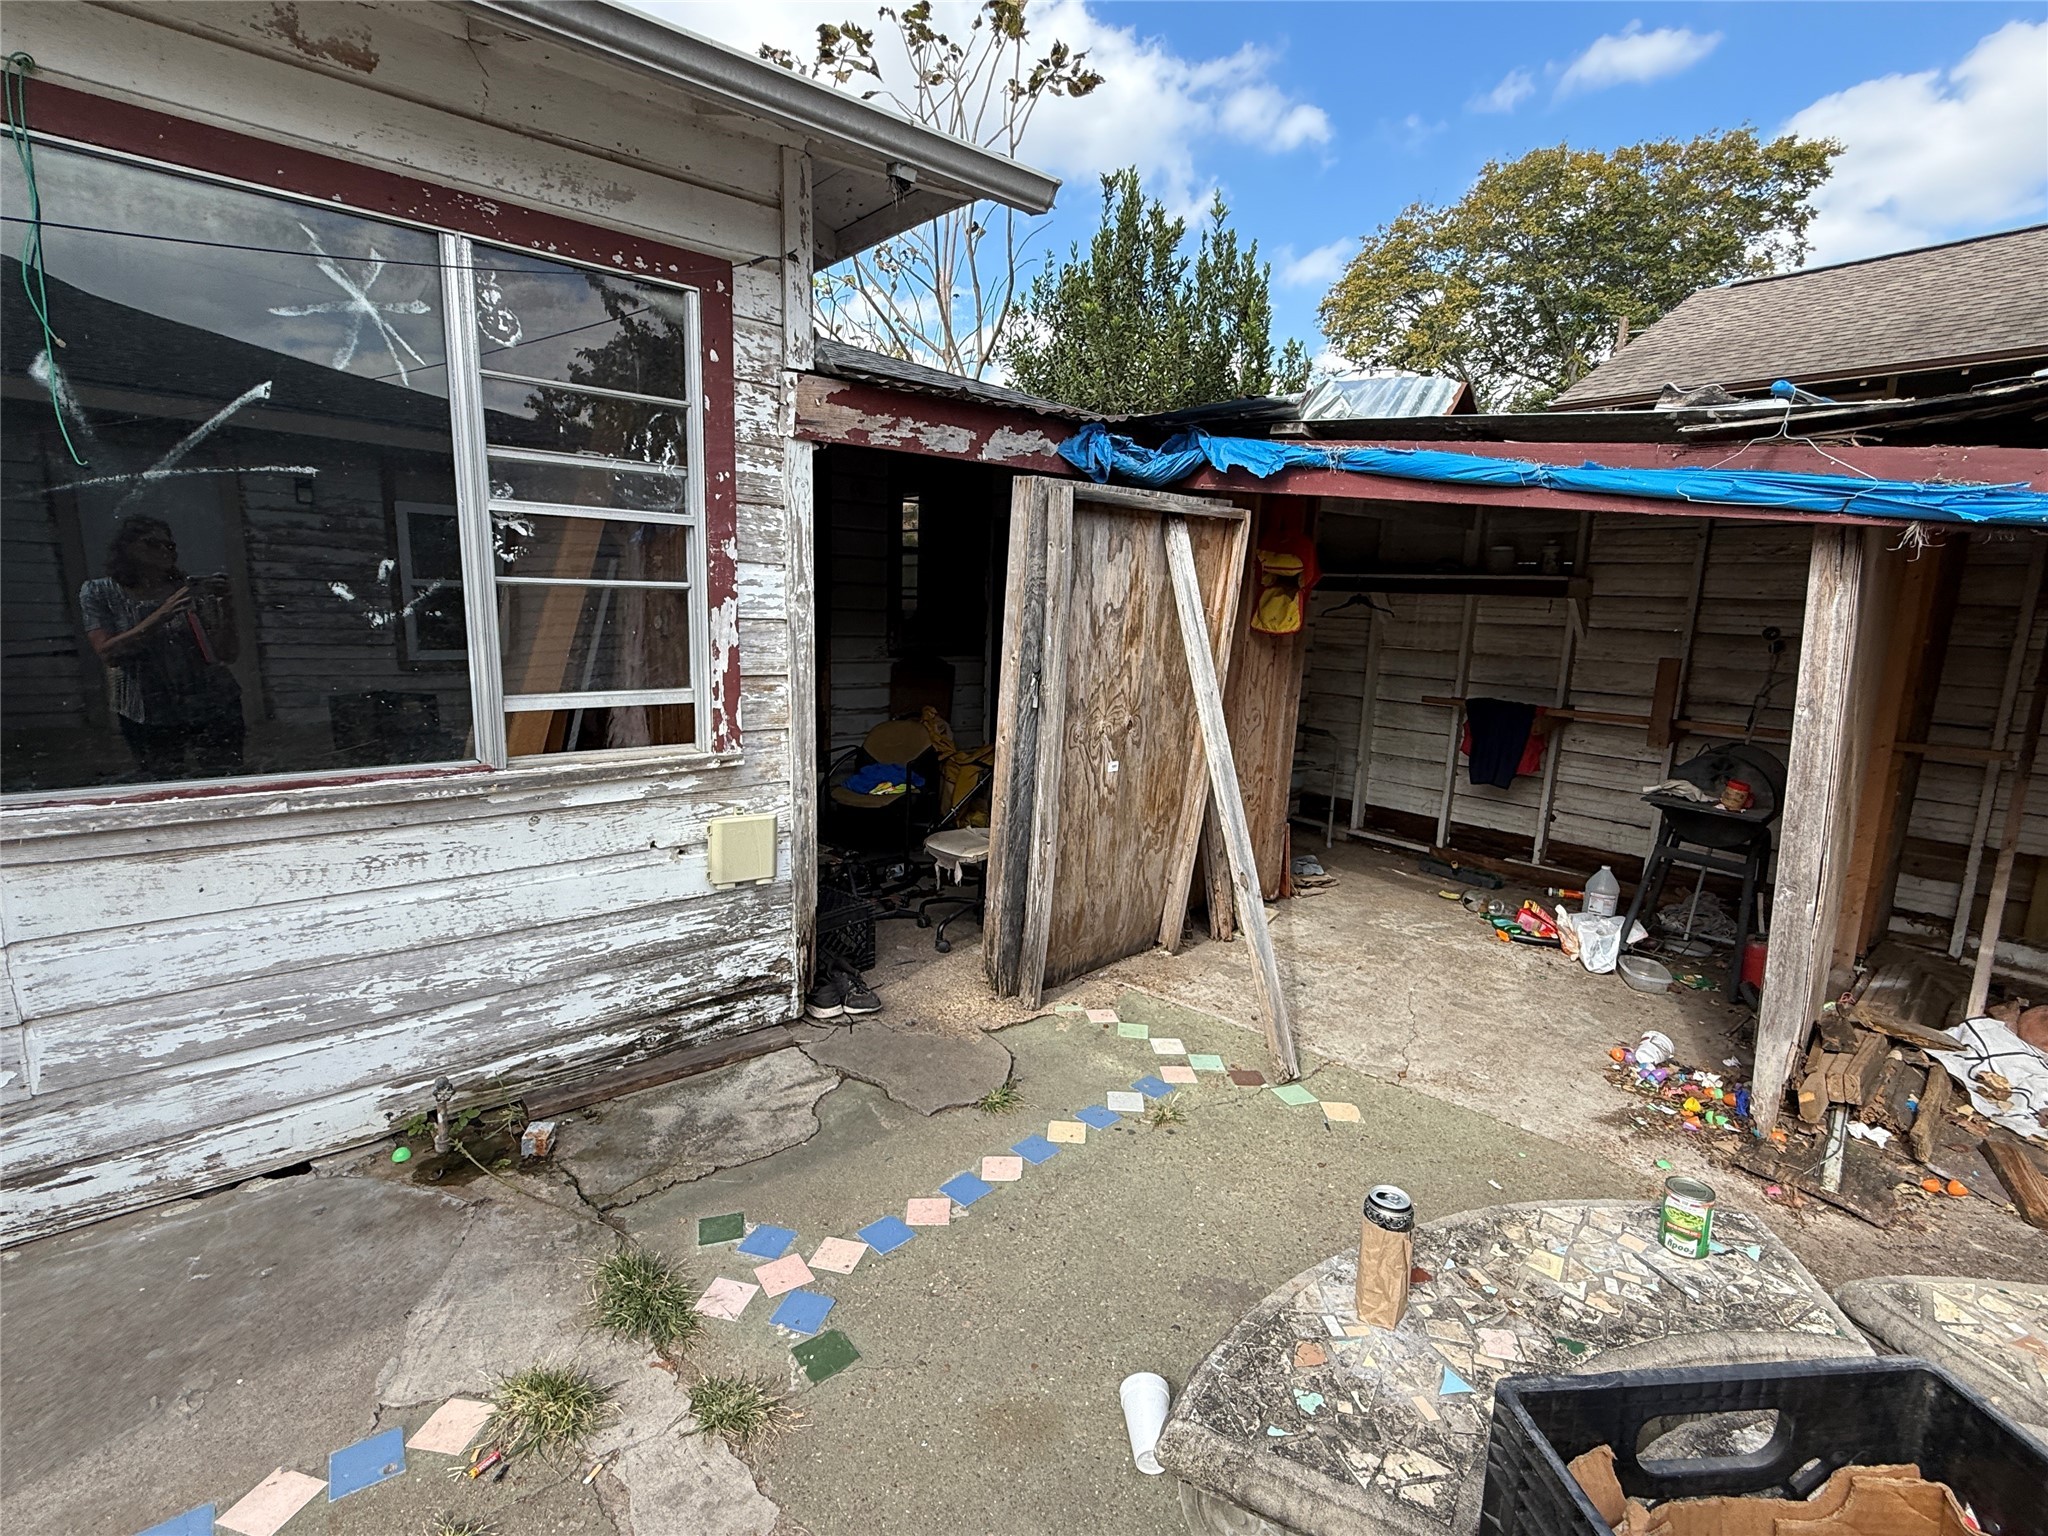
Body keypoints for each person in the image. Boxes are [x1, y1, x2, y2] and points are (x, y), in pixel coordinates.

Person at [80, 515, 245, 779]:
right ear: (127, 547)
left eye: (170, 546)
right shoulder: (101, 592)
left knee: (224, 776)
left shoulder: (187, 588)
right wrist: (161, 614)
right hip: (145, 707)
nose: (164, 551)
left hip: (210, 702)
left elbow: (226, 654)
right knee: (161, 781)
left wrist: (226, 605)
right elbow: (109, 653)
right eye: (152, 544)